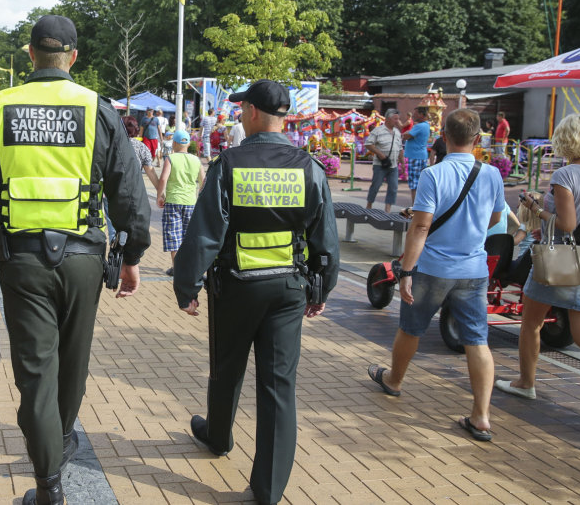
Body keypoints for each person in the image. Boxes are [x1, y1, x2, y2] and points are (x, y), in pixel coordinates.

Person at [0, 15, 151, 505]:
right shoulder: (98, 109)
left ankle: (49, 486)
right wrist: (132, 254)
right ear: (74, 58)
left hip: (20, 260)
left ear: (29, 54)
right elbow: (128, 191)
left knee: (36, 374)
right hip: (84, 258)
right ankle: (57, 444)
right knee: (73, 366)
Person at [173, 79, 339, 505]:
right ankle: (267, 491)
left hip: (235, 288)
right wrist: (322, 288)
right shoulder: (310, 167)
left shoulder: (229, 164)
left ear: (249, 111)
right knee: (279, 386)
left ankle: (218, 436)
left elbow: (207, 232)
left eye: (240, 108)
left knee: (225, 368)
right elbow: (325, 239)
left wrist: (187, 284)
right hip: (288, 289)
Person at [367, 108, 504, 443]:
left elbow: (421, 226)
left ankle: (395, 380)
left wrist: (406, 271)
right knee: (476, 339)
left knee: (411, 328)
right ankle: (482, 416)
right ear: (478, 139)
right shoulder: (492, 174)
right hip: (473, 268)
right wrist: (469, 235)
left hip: (433, 267)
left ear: (442, 136)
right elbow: (495, 218)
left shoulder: (433, 174)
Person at [495, 114, 580, 431]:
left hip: (562, 259)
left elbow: (568, 225)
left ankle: (525, 382)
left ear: (564, 141)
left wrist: (535, 208)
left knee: (531, 322)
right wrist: (546, 201)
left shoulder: (565, 174)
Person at [157, 129, 204, 277]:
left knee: (174, 236)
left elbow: (163, 179)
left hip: (173, 201)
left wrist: (160, 195)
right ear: (188, 143)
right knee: (189, 236)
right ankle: (191, 268)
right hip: (190, 202)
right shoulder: (196, 160)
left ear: (174, 143)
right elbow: (203, 181)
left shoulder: (170, 158)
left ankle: (177, 268)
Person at [365, 109, 403, 213]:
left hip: (393, 165)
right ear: (388, 119)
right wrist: (380, 154)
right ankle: (369, 206)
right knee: (376, 185)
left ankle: (388, 210)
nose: (397, 121)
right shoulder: (378, 131)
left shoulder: (397, 132)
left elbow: (400, 148)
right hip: (380, 165)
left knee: (393, 187)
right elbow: (368, 144)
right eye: (395, 119)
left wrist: (403, 163)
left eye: (398, 119)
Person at [401, 106, 430, 202]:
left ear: (422, 115)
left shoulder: (419, 126)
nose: (413, 115)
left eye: (416, 113)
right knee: (419, 183)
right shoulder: (425, 125)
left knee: (414, 184)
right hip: (421, 156)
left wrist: (407, 133)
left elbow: (405, 136)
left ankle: (414, 207)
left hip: (415, 157)